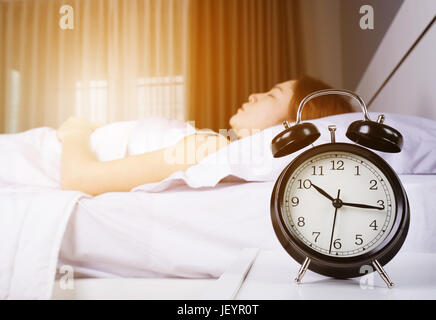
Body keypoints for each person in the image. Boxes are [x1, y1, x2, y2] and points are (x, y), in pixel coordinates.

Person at [57, 76, 353, 195]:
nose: (253, 95)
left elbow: (78, 178)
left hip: (59, 149)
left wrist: (75, 131)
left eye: (272, 95)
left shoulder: (209, 148)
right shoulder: (212, 144)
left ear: (291, 127)